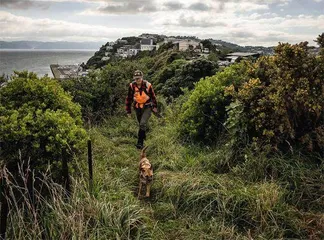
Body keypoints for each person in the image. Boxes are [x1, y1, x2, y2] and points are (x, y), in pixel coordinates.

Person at [126, 70, 158, 149]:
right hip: (137, 107)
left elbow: (153, 97)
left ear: (142, 78)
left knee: (142, 123)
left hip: (147, 107)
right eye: (136, 79)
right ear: (134, 79)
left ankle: (140, 143)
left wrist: (155, 107)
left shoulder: (148, 85)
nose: (138, 80)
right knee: (141, 123)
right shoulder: (132, 86)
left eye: (139, 78)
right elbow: (129, 98)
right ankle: (143, 136)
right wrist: (128, 111)